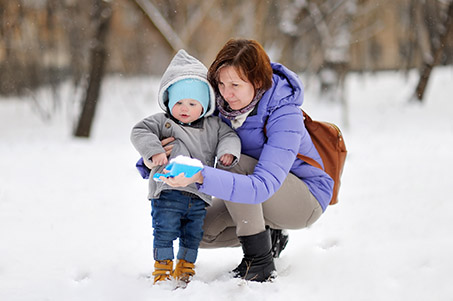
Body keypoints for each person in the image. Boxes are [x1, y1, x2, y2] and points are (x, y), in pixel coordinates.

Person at [158, 39, 334, 283]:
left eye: (235, 85)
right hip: (256, 194)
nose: (226, 93)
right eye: (220, 83)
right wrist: (155, 159)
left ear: (258, 82)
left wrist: (199, 176)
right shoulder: (220, 108)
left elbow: (262, 186)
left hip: (304, 199)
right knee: (192, 228)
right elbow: (186, 141)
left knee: (235, 162)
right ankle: (269, 237)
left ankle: (259, 261)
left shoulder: (285, 113)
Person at [130, 49, 241, 285]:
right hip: (167, 191)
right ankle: (162, 267)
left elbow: (230, 136)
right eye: (178, 101)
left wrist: (227, 152)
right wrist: (154, 151)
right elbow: (139, 131)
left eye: (192, 103)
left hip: (198, 195)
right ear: (169, 102)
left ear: (205, 105)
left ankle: (186, 266)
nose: (184, 108)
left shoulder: (214, 126)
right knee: (164, 231)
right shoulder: (163, 122)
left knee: (193, 235)